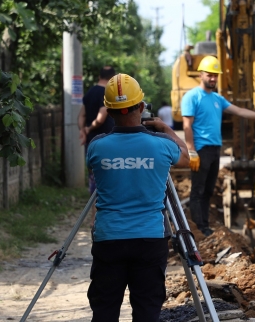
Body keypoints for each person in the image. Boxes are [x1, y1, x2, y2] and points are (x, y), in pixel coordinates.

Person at [86, 73, 189, 321]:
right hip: (150, 240)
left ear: (109, 112)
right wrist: (165, 129)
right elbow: (187, 157)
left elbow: (96, 174)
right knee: (147, 311)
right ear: (142, 107)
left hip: (109, 238)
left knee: (104, 311)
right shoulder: (162, 144)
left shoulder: (97, 147)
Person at [181, 55, 255, 237]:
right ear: (200, 74)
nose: (213, 78)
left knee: (208, 191)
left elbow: (239, 111)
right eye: (209, 75)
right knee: (198, 190)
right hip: (201, 150)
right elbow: (187, 125)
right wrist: (191, 150)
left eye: (216, 75)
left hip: (215, 150)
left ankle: (205, 225)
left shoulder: (217, 98)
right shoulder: (192, 97)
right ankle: (199, 228)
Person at [79, 66, 117, 194]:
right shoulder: (107, 93)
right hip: (106, 141)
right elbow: (101, 119)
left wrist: (82, 131)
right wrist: (89, 129)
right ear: (112, 78)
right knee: (107, 182)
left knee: (94, 180)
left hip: (91, 144)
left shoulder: (89, 92)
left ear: (99, 76)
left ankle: (94, 213)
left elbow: (81, 115)